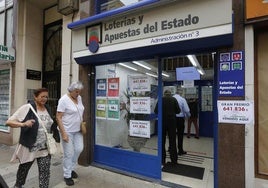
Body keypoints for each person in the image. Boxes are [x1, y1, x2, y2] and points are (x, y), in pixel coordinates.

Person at [6, 88, 54, 188]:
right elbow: (9, 122)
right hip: (29, 147)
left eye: (46, 96)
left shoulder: (48, 108)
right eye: (42, 96)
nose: (45, 99)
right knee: (23, 170)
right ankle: (18, 185)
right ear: (35, 97)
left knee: (45, 173)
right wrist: (23, 124)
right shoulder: (27, 107)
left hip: (44, 148)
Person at [56, 81, 84, 186]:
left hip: (78, 130)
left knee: (79, 149)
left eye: (79, 92)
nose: (78, 94)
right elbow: (58, 117)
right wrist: (63, 133)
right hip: (66, 130)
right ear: (71, 90)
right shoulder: (63, 100)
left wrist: (82, 124)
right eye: (76, 91)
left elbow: (81, 111)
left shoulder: (79, 98)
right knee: (69, 153)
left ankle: (71, 168)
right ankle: (67, 175)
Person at [155, 89, 181, 165]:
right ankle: (174, 160)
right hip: (172, 123)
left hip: (162, 122)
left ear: (164, 94)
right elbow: (178, 111)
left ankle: (162, 160)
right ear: (170, 94)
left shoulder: (161, 100)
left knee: (162, 142)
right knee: (172, 141)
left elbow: (156, 111)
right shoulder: (174, 99)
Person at [173, 88, 191, 156]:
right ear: (181, 93)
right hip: (180, 119)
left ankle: (171, 149)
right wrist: (188, 116)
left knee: (172, 135)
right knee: (180, 135)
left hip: (172, 119)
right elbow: (186, 110)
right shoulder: (182, 99)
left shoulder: (172, 98)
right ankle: (180, 150)